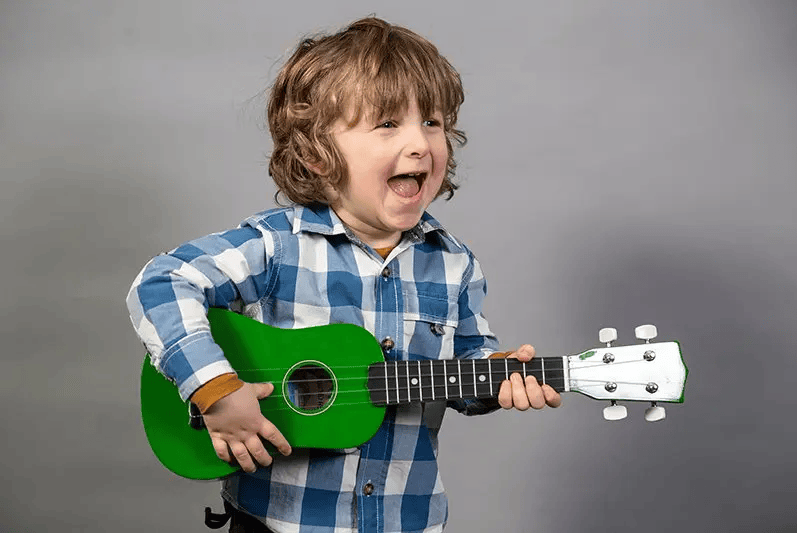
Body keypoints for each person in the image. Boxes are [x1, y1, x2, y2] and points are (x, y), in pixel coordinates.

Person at [126, 16, 561, 533]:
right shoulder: (277, 246)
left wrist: (497, 375)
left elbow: (465, 364)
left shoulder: (454, 263)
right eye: (387, 124)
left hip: (408, 520)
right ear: (316, 153)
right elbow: (161, 283)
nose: (421, 144)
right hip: (279, 523)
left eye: (433, 122)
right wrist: (216, 388)